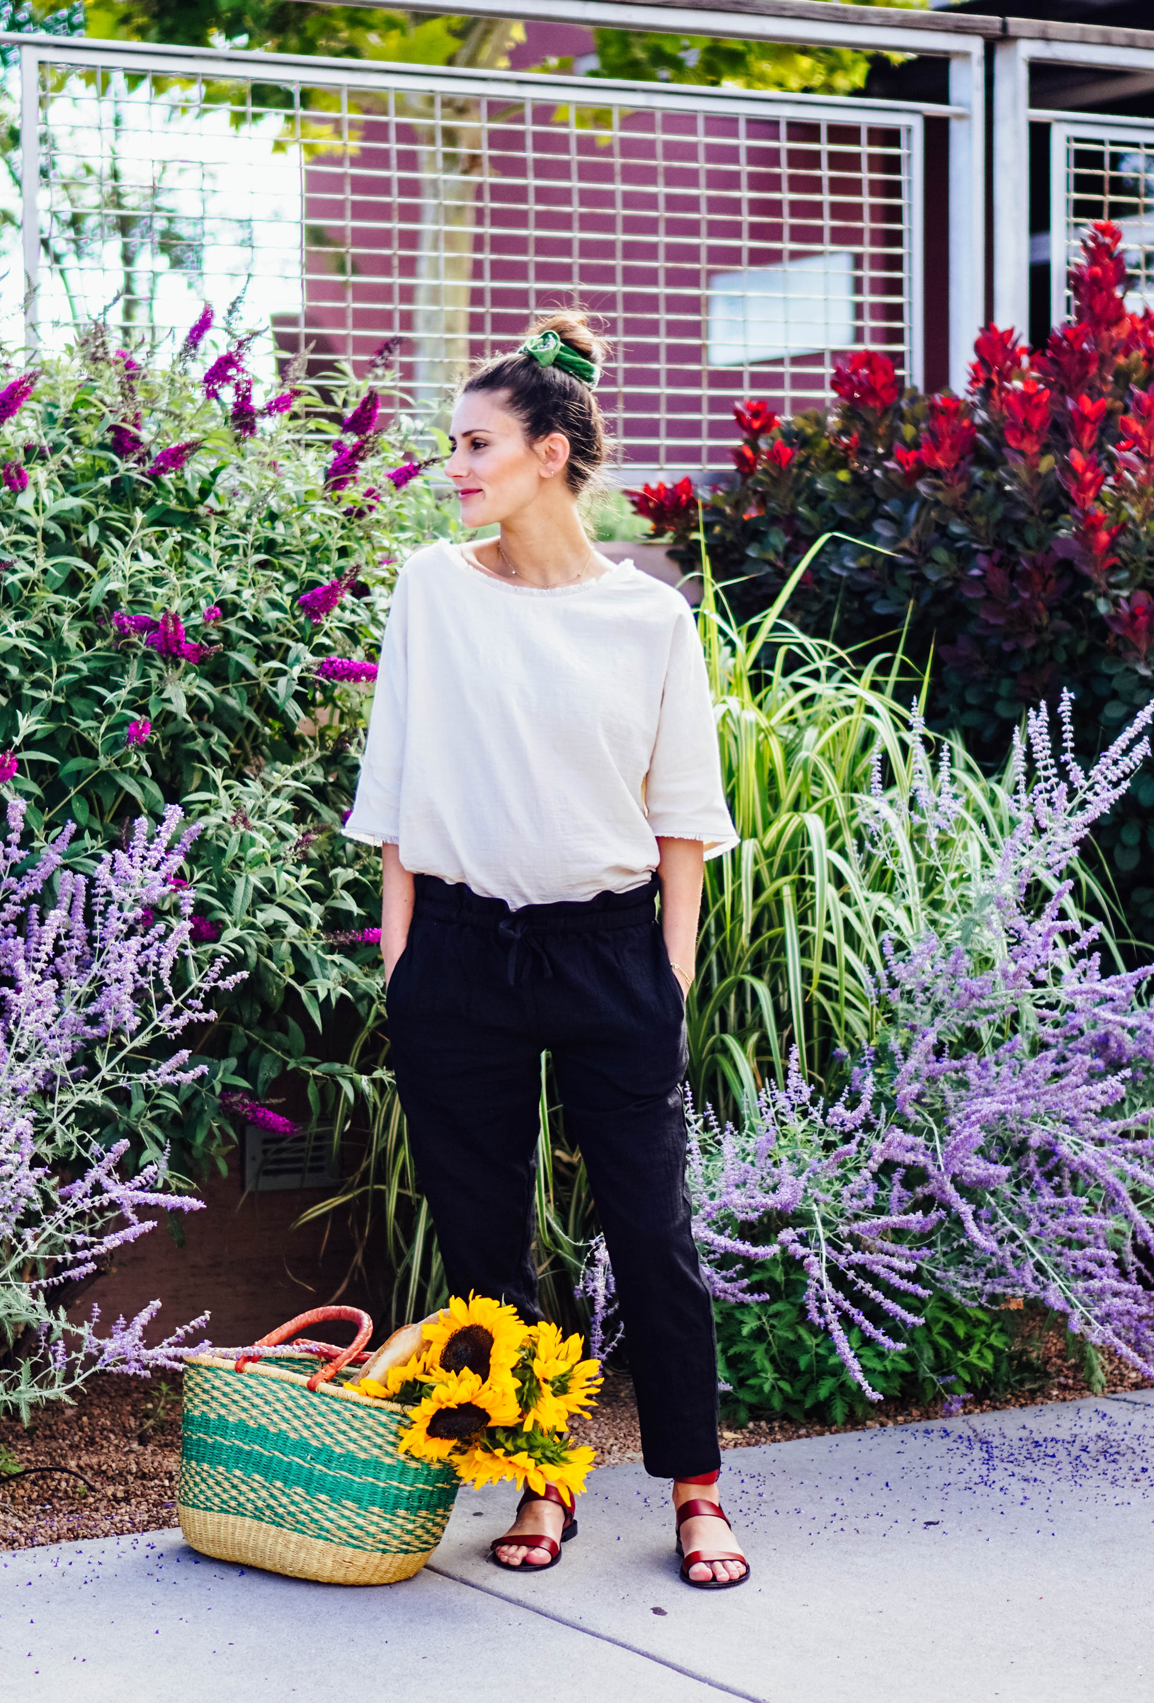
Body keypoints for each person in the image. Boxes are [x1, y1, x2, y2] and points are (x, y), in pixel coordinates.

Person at [342, 311, 749, 1590]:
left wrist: (666, 976)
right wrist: (404, 963)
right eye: (451, 444)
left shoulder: (647, 617)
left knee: (650, 1231)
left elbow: (683, 811)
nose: (453, 465)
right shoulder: (431, 587)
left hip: (608, 950)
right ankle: (541, 1474)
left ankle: (696, 1489)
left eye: (475, 443)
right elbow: (395, 787)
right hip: (458, 954)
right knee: (484, 1243)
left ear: (552, 451)